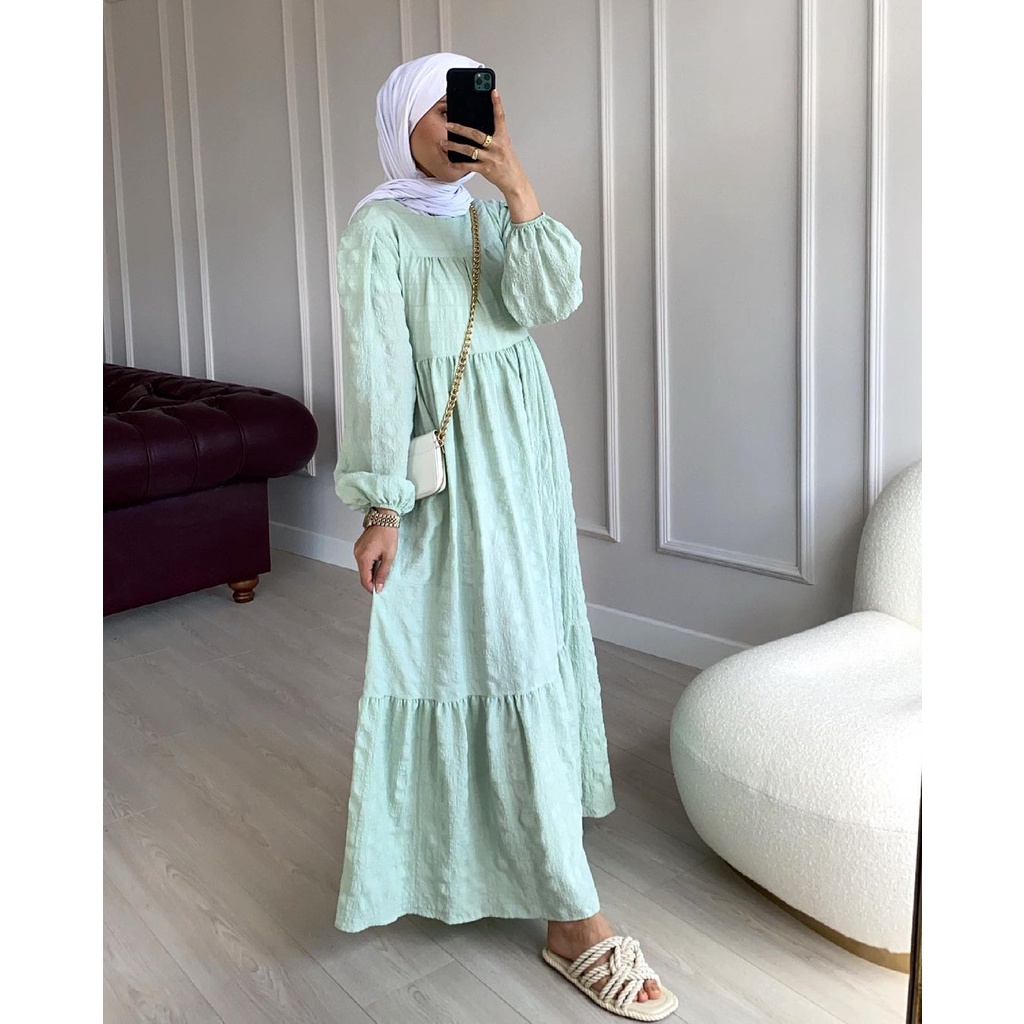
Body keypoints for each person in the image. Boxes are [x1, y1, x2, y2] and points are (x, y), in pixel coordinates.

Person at [331, 52, 677, 1019]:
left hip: (527, 466)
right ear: (400, 122)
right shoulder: (376, 231)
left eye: (471, 107)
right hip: (457, 481)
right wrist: (381, 506)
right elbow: (375, 371)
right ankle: (575, 923)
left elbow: (550, 299)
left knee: (527, 647)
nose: (458, 124)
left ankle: (524, 840)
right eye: (436, 108)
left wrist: (517, 183)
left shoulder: (490, 217)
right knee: (487, 655)